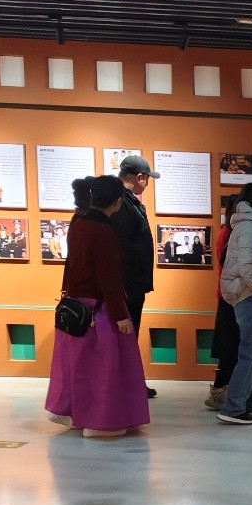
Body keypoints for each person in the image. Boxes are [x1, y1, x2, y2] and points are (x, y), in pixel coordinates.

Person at [44, 176, 149, 438]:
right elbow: (108, 278)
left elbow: (71, 264)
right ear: (117, 202)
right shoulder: (104, 231)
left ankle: (77, 416)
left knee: (78, 368)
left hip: (76, 308)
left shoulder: (77, 222)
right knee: (104, 370)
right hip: (98, 311)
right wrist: (121, 315)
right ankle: (99, 421)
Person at [217, 182, 252, 425]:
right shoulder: (251, 225)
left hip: (250, 294)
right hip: (249, 296)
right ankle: (234, 407)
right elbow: (247, 268)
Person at [109, 155, 159, 398]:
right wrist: (124, 285)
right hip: (128, 284)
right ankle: (125, 385)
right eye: (147, 179)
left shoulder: (129, 202)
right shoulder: (122, 203)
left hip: (133, 283)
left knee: (129, 336)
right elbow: (123, 248)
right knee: (124, 337)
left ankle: (130, 382)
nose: (147, 184)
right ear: (139, 177)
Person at [205, 195, 244, 411]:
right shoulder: (230, 233)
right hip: (232, 296)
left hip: (227, 294)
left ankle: (221, 389)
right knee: (231, 347)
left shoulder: (226, 231)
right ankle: (221, 391)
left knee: (229, 347)